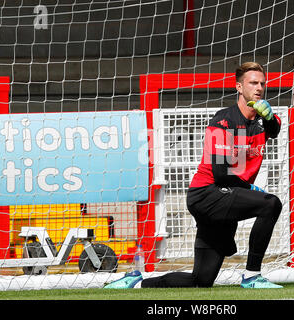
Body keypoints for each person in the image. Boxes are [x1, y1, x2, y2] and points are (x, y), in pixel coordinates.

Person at [104, 62, 284, 289]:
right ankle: (252, 276)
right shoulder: (224, 121)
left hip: (228, 196)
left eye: (262, 83)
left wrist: (267, 117)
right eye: (253, 83)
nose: (259, 88)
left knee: (201, 280)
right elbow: (220, 174)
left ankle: (137, 283)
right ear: (239, 87)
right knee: (271, 204)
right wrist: (252, 190)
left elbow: (275, 130)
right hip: (207, 194)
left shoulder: (263, 121)